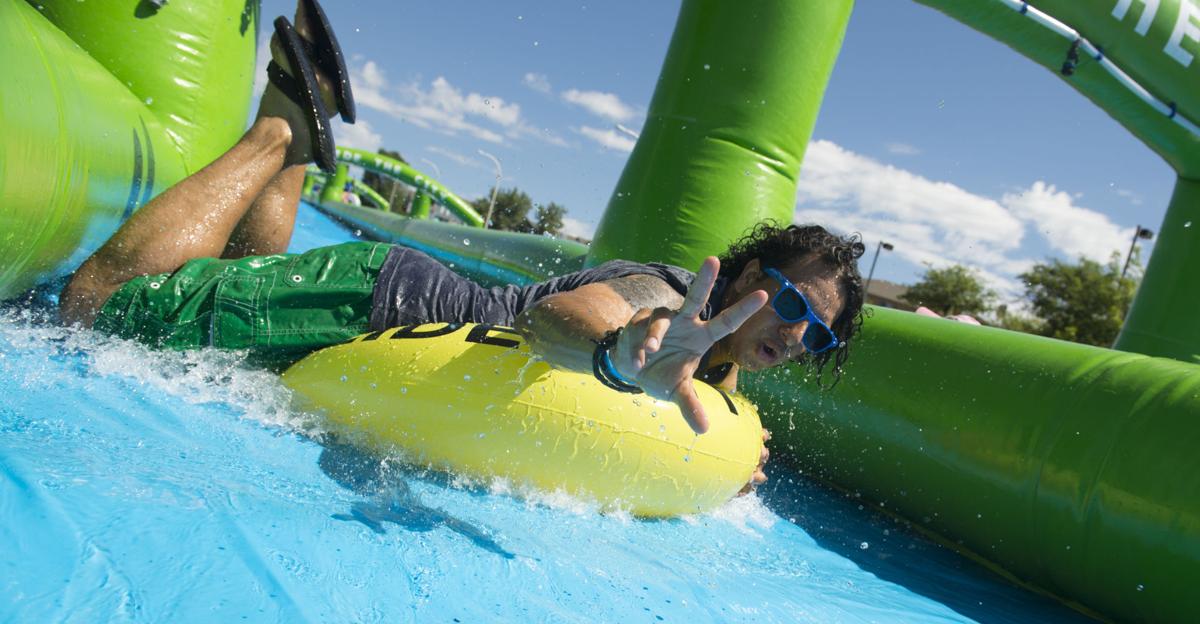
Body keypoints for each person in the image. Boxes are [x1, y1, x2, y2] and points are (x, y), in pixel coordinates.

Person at [59, 0, 866, 489]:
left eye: (818, 332)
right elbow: (564, 317)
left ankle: (301, 117)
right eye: (791, 302)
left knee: (241, 280)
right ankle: (277, 130)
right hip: (381, 302)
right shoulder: (659, 299)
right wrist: (619, 355)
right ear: (750, 276)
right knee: (93, 310)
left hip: (380, 312)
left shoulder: (719, 368)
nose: (798, 334)